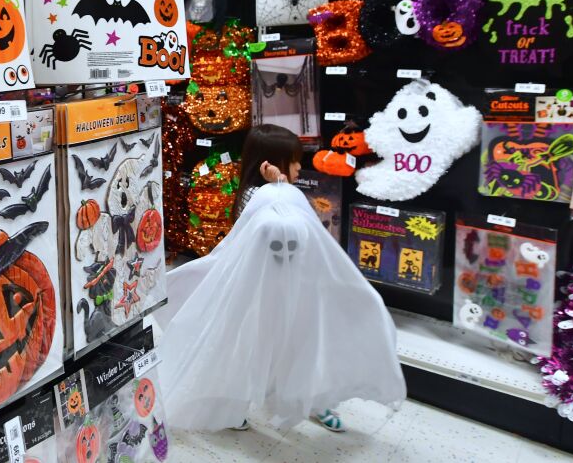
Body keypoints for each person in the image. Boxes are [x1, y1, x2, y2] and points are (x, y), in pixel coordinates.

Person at [157, 124, 406, 434]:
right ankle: (235, 403)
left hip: (292, 285)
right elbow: (282, 229)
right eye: (294, 161)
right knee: (256, 347)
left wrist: (282, 186)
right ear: (271, 163)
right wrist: (280, 187)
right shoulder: (262, 197)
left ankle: (312, 400)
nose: (300, 167)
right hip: (264, 291)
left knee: (302, 346)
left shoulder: (277, 192)